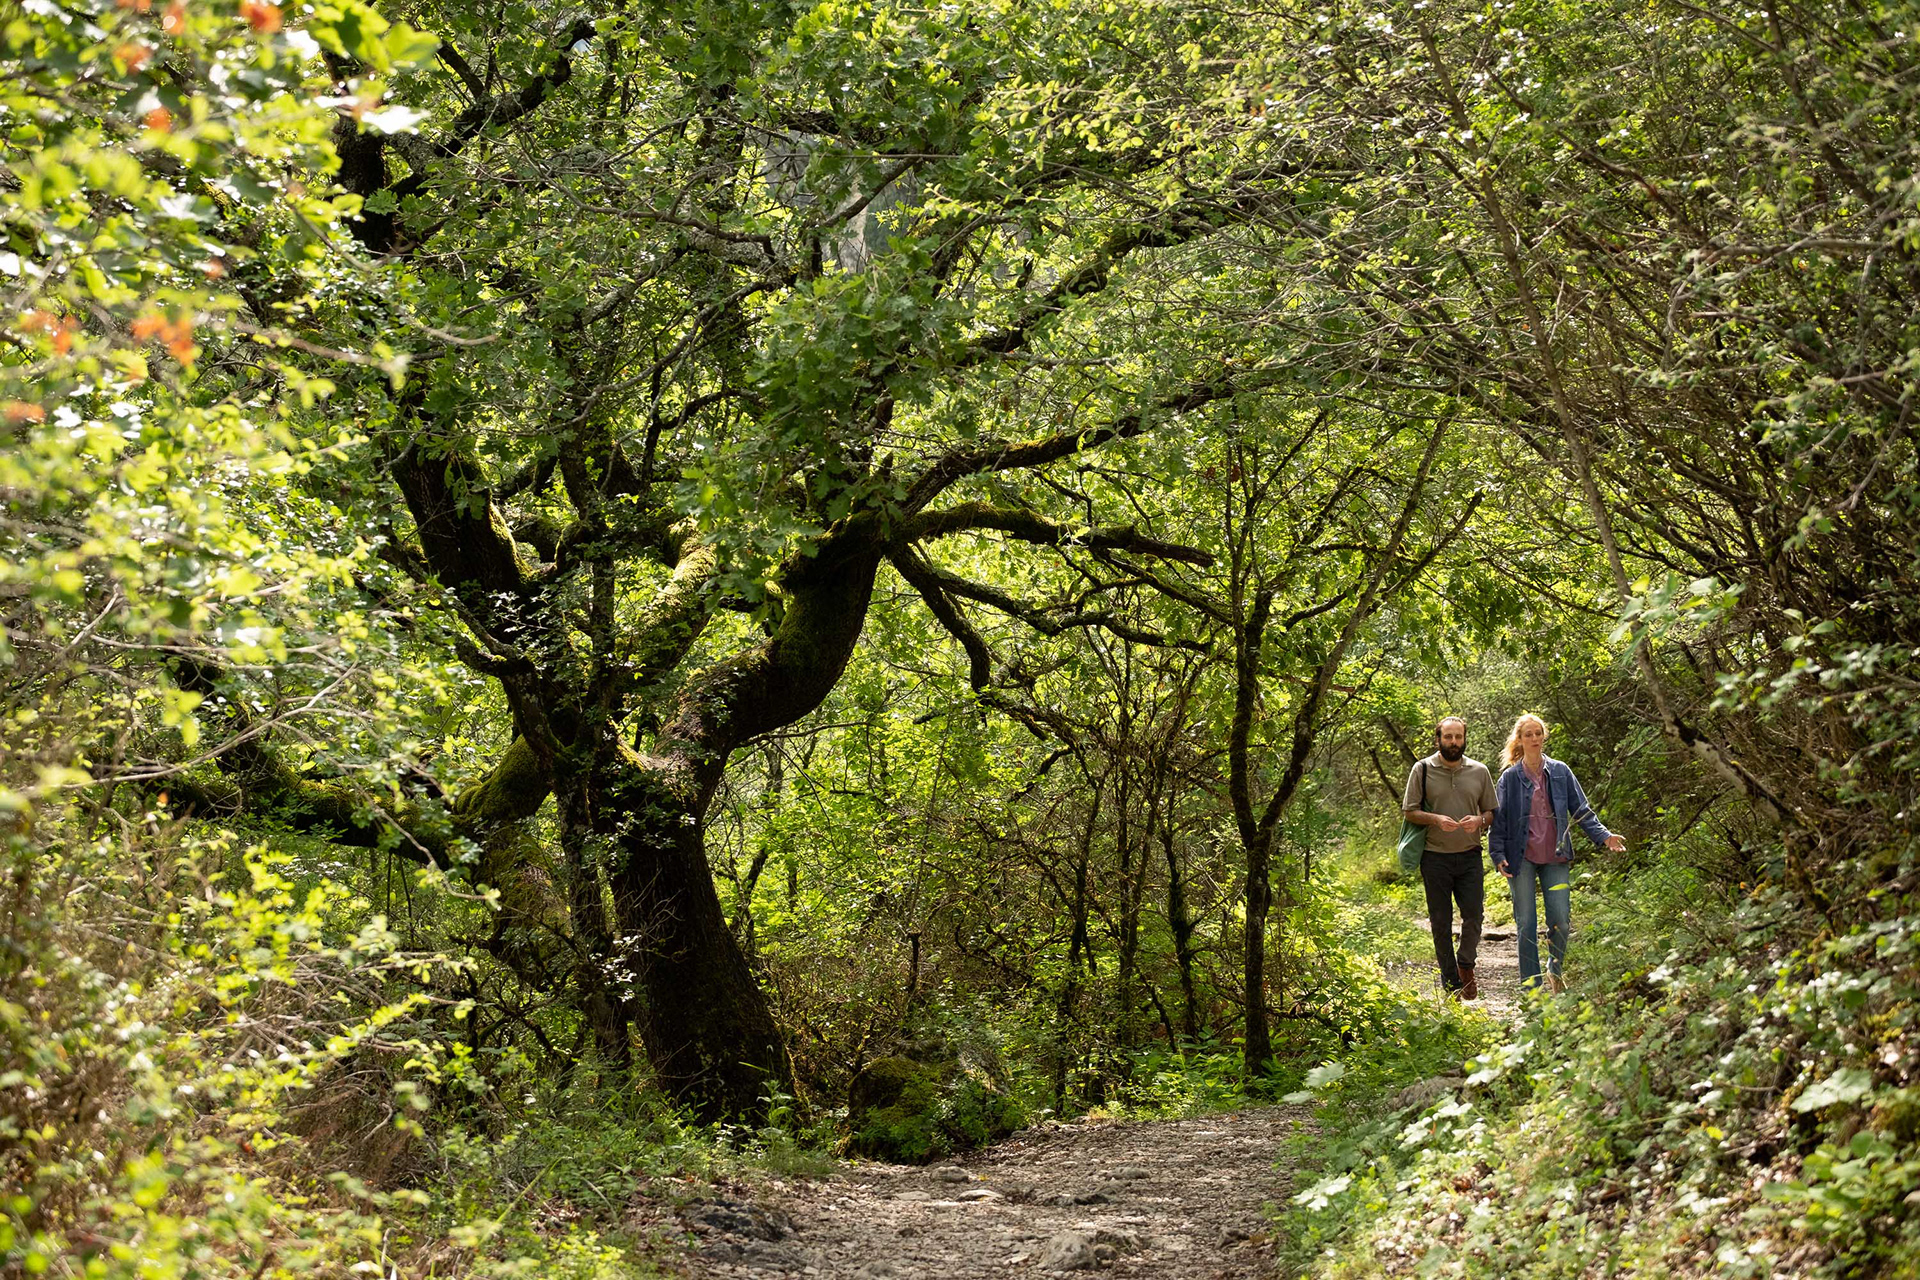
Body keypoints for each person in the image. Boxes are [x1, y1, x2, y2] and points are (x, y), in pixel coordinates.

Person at [1489, 714, 1626, 993]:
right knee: (1526, 922)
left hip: (1556, 854)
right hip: (1521, 857)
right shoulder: (1510, 778)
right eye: (1528, 734)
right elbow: (1498, 820)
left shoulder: (1561, 771)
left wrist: (1604, 836)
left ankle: (1555, 969)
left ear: (1544, 736)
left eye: (1538, 733)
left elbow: (1581, 810)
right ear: (1519, 740)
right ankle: (1531, 987)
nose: (1534, 739)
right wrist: (1497, 854)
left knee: (1561, 919)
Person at [1402, 716, 1497, 1000]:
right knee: (1440, 922)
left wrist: (1479, 821)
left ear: (1465, 739)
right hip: (1434, 857)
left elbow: (1491, 812)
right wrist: (1435, 819)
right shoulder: (1422, 769)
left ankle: (1466, 965)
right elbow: (1409, 811)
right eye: (1448, 737)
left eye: (1458, 737)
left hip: (1470, 856)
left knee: (1474, 916)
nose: (1453, 742)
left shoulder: (1479, 771)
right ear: (1438, 739)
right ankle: (1452, 983)